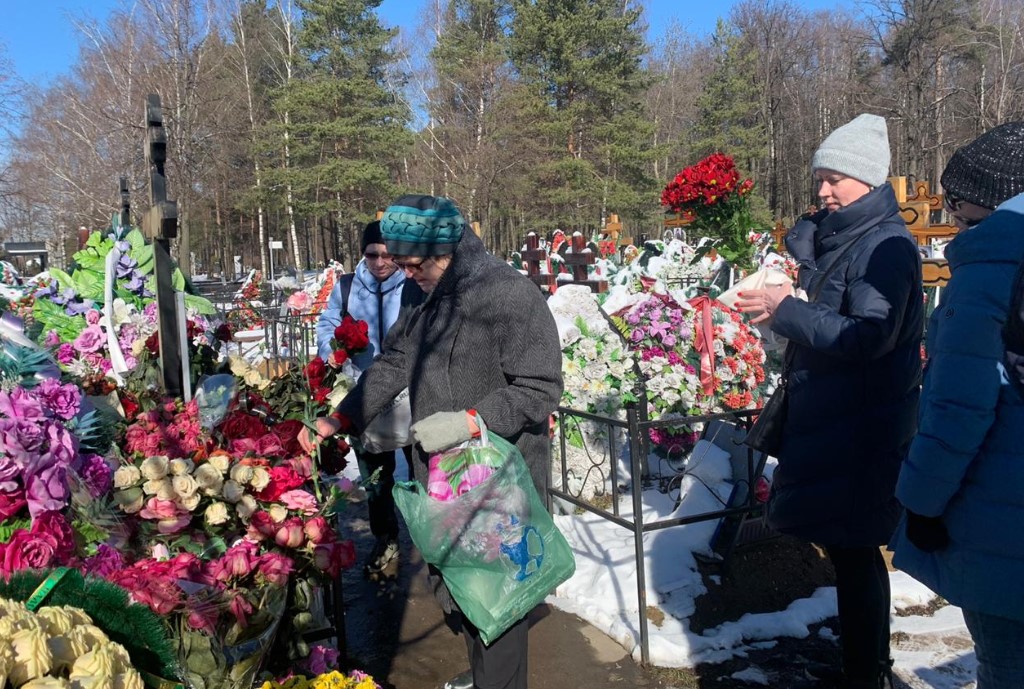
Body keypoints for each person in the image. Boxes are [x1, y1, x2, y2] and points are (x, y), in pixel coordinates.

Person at [300, 194, 562, 689]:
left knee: (500, 597)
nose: (405, 273)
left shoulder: (508, 294)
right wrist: (340, 419)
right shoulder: (422, 292)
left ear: (446, 249)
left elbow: (541, 388)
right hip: (445, 476)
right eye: (399, 264)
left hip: (499, 476)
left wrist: (470, 421)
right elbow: (396, 361)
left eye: (412, 264)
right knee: (464, 589)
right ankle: (485, 675)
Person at [735, 113, 924, 689]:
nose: (822, 190)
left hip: (861, 429)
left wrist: (787, 308)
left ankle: (866, 672)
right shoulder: (851, 239)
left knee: (857, 553)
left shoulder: (887, 247)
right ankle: (863, 665)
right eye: (820, 176)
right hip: (839, 421)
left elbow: (870, 335)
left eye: (835, 178)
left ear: (868, 179)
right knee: (850, 552)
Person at [892, 121, 1024, 689]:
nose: (950, 210)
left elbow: (960, 409)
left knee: (1006, 667)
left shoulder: (993, 268)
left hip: (1000, 521)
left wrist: (920, 503)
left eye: (960, 200)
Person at [315, 220, 423, 579]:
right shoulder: (347, 286)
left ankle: (427, 537)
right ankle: (385, 536)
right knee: (376, 476)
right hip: (362, 396)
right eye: (371, 254)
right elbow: (328, 323)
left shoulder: (412, 286)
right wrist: (334, 348)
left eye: (387, 255)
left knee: (419, 468)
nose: (379, 262)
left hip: (409, 395)